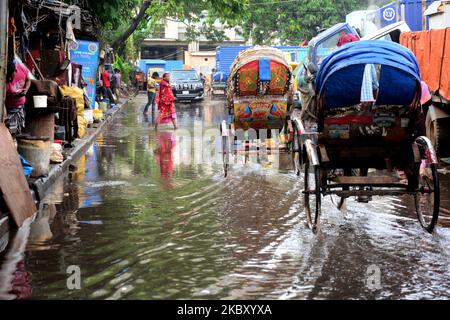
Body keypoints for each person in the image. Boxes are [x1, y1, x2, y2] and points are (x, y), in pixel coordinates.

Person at [5, 60, 31, 135]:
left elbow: (28, 80)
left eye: (11, 76)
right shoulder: (5, 80)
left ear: (15, 71)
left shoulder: (22, 69)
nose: (10, 79)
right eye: (8, 76)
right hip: (9, 108)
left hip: (21, 106)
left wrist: (25, 91)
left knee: (19, 129)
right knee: (9, 131)